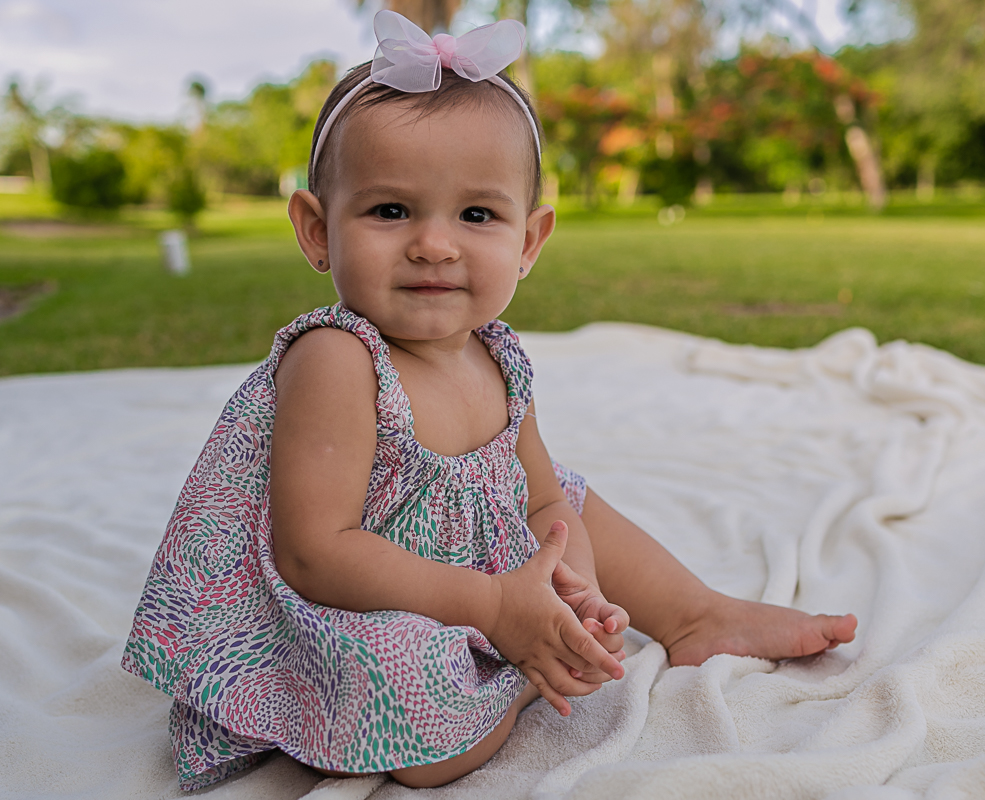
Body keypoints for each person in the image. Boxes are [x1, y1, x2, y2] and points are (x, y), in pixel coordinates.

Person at [121, 11, 857, 791]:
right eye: (389, 210)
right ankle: (507, 679)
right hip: (364, 597)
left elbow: (540, 502)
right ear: (317, 230)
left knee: (575, 497)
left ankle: (693, 613)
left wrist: (570, 585)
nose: (435, 244)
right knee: (417, 724)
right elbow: (317, 554)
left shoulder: (497, 353)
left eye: (476, 215)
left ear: (529, 240)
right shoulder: (336, 358)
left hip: (482, 575)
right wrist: (494, 608)